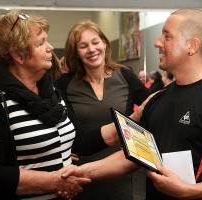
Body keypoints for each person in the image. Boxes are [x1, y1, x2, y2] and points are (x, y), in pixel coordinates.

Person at [61, 9, 202, 200]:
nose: (158, 42)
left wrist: (188, 192)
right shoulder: (157, 99)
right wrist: (83, 171)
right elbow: (133, 157)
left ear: (191, 46)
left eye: (167, 36)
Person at [0, 10, 148, 200]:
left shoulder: (52, 93)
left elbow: (80, 142)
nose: (50, 47)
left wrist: (131, 121)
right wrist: (54, 182)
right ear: (18, 55)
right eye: (40, 43)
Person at [55, 19, 150, 200]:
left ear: (105, 43)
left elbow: (152, 109)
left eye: (95, 42)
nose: (91, 49)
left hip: (120, 174)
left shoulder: (126, 76)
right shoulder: (64, 84)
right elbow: (60, 127)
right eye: (83, 46)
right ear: (75, 52)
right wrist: (64, 146)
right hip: (79, 176)